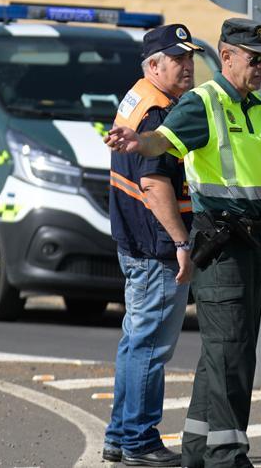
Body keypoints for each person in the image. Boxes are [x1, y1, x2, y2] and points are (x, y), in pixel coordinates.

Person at [105, 18, 261, 468]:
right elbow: (160, 145)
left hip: (251, 240)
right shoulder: (201, 103)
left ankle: (197, 447)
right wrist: (139, 142)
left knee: (230, 346)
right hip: (217, 240)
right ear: (228, 56)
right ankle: (226, 453)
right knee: (226, 349)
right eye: (254, 59)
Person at [103, 24, 202, 466]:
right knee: (150, 347)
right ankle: (139, 440)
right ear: (154, 66)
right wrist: (182, 241)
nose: (188, 66)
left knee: (135, 342)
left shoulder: (138, 97)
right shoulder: (158, 112)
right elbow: (154, 183)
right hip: (157, 245)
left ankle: (120, 435)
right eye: (178, 59)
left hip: (135, 240)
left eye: (189, 57)